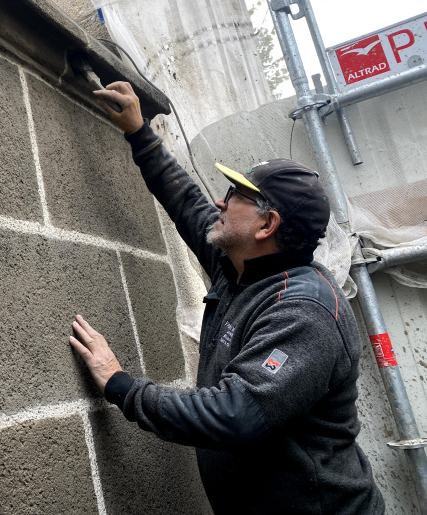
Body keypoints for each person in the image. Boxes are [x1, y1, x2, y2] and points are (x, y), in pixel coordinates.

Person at [68, 81, 384, 514]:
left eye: (236, 196)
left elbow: (237, 414)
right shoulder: (238, 266)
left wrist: (119, 383)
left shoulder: (303, 311)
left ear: (265, 224)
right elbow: (188, 203)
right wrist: (139, 131)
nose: (221, 199)